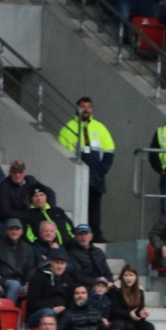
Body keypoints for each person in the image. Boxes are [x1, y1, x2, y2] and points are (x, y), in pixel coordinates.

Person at [57, 97, 115, 234]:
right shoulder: (68, 128)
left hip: (96, 174)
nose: (86, 109)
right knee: (78, 205)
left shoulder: (100, 127)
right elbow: (61, 151)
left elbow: (109, 150)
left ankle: (95, 234)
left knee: (94, 206)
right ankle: (78, 234)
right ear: (77, 108)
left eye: (89, 107)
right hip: (76, 174)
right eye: (83, 106)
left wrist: (102, 169)